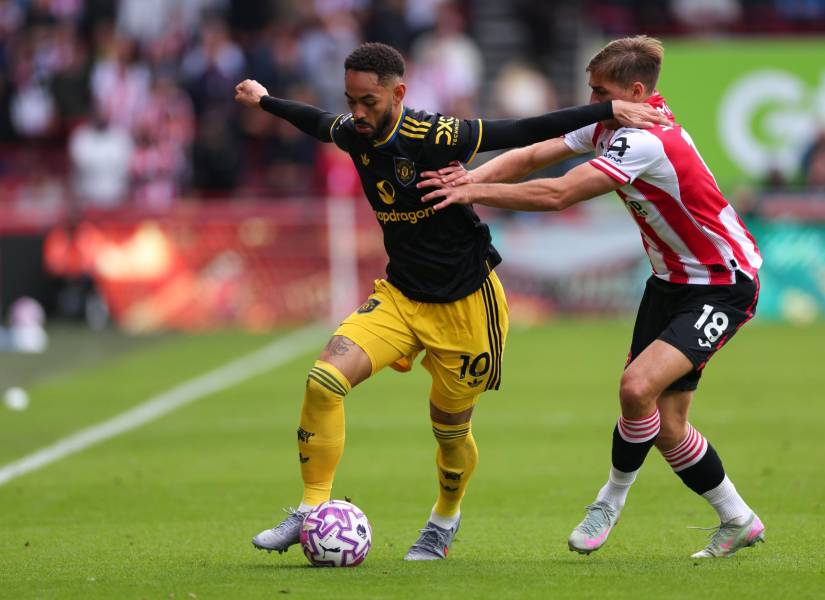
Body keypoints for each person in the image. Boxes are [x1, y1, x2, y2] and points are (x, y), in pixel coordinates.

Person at [234, 42, 666, 561]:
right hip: (400, 296)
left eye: (368, 101)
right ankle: (309, 508)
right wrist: (265, 101)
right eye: (351, 100)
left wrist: (605, 110)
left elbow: (522, 130)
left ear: (398, 93)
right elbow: (316, 120)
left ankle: (444, 518)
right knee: (324, 381)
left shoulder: (437, 136)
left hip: (466, 305)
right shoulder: (354, 132)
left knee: (448, 429)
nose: (357, 113)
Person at [418, 35, 765, 559]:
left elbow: (560, 193)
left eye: (601, 90)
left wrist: (472, 193)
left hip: (722, 283)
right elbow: (535, 154)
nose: (593, 99)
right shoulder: (613, 121)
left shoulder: (644, 138)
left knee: (635, 389)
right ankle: (738, 519)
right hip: (671, 282)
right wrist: (467, 177)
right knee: (669, 427)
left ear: (637, 90)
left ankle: (610, 499)